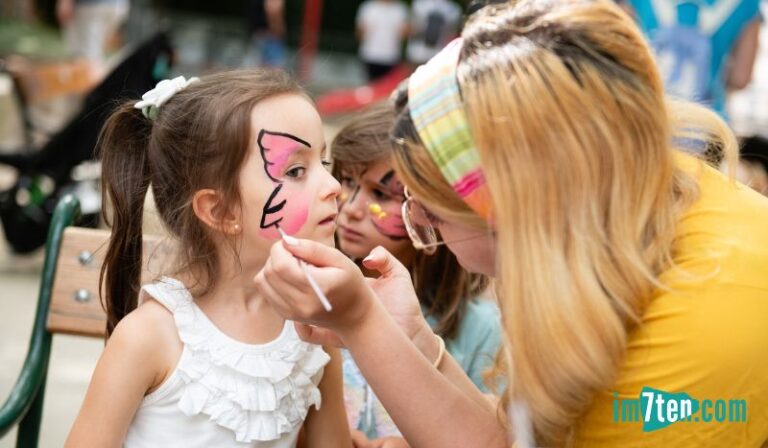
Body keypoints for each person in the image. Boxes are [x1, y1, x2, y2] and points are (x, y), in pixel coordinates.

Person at [254, 0, 768, 446]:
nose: (424, 234)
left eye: (429, 216)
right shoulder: (618, 190)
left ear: (520, 217)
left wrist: (362, 323)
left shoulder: (687, 350)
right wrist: (411, 339)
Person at [65, 70, 351, 447]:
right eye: (296, 170)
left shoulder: (313, 332)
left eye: (324, 164)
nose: (333, 187)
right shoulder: (150, 338)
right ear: (220, 211)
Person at [330, 102, 501, 445]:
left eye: (381, 194)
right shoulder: (309, 303)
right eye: (346, 182)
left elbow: (498, 434)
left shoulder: (481, 330)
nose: (350, 209)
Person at [625, 0, 762, 119]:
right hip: (709, 124)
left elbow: (619, 52)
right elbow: (740, 78)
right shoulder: (748, 3)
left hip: (645, 116)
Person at [56, 0, 130, 80]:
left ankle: (93, 88)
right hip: (117, 5)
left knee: (87, 60)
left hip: (90, 6)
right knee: (95, 56)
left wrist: (65, 1)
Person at [356, 0, 410, 81]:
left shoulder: (400, 9)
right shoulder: (368, 7)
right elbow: (359, 33)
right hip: (370, 55)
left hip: (392, 57)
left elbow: (404, 35)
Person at [406, 0, 463, 66]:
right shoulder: (419, 4)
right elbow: (409, 28)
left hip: (439, 56)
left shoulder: (454, 10)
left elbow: (452, 36)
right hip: (416, 54)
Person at [246, 0, 287, 68]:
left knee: (259, 67)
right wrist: (277, 30)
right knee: (274, 70)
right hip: (271, 35)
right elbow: (273, 9)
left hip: (259, 33)